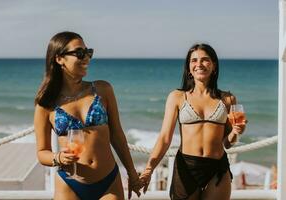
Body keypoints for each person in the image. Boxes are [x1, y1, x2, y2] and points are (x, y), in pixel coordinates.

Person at [34, 31, 141, 200]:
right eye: (79, 53)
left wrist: (132, 173)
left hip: (109, 183)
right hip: (70, 183)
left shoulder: (103, 90)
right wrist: (58, 157)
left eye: (88, 52)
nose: (86, 58)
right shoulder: (45, 104)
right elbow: (42, 152)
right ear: (59, 58)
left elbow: (117, 136)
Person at [140, 43, 246, 200]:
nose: (199, 64)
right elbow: (164, 138)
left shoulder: (228, 99)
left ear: (214, 65)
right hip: (187, 168)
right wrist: (149, 169)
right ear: (189, 68)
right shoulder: (177, 97)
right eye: (194, 60)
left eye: (205, 60)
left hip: (217, 168)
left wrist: (237, 132)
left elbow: (227, 143)